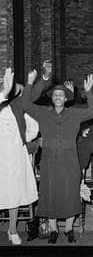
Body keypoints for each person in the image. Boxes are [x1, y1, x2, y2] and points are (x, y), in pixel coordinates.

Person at [20, 70, 93, 244]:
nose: (58, 97)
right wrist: (32, 82)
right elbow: (25, 103)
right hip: (49, 158)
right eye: (55, 94)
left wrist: (88, 92)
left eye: (61, 94)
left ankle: (69, 229)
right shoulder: (42, 112)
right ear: (52, 97)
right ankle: (54, 230)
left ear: (66, 98)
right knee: (50, 193)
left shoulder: (75, 113)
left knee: (70, 193)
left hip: (70, 158)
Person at [0, 68, 38, 245]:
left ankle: (13, 229)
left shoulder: (22, 110)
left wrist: (23, 139)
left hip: (15, 154)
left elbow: (33, 129)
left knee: (14, 191)